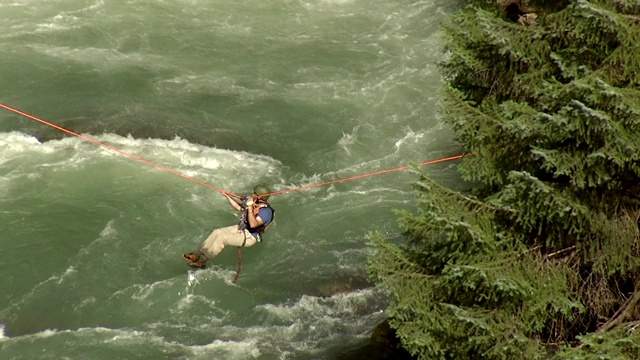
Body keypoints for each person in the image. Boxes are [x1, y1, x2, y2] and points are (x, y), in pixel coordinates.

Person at [182, 184, 275, 269]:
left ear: (260, 197)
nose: (253, 195)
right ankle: (196, 254)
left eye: (255, 194)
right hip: (241, 228)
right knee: (217, 232)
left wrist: (250, 208)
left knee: (222, 238)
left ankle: (202, 261)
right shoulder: (255, 203)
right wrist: (227, 196)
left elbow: (253, 224)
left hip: (250, 236)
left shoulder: (265, 212)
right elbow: (238, 207)